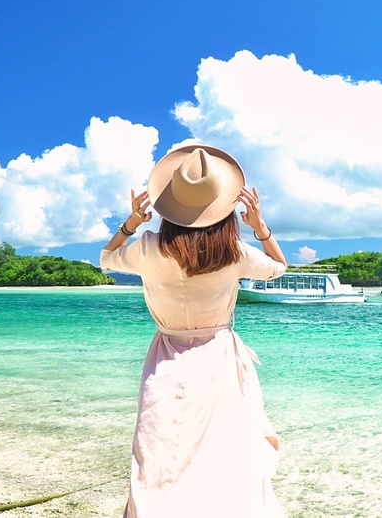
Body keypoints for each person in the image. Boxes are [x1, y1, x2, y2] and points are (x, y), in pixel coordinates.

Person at [100, 145, 288, 517]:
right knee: (225, 457)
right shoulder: (236, 252)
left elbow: (106, 260)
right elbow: (279, 266)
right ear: (221, 206)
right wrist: (260, 227)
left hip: (166, 355)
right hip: (219, 357)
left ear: (170, 208)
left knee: (159, 455)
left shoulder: (148, 249)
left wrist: (130, 224)